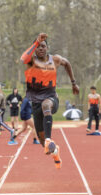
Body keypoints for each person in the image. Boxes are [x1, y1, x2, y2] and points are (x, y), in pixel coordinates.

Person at [20, 33, 79, 169]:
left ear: (47, 48)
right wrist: (36, 42)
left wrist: (73, 83)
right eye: (38, 46)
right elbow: (23, 58)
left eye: (43, 46)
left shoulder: (55, 60)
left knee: (46, 104)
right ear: (35, 48)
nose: (41, 48)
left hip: (51, 99)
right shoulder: (31, 61)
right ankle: (55, 151)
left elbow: (67, 64)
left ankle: (48, 139)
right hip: (35, 102)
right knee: (42, 143)